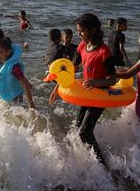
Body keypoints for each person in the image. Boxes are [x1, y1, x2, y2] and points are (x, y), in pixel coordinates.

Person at [49, 13, 116, 166]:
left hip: (100, 96)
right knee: (78, 127)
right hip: (87, 94)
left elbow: (113, 79)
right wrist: (57, 87)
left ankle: (102, 165)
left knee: (85, 132)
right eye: (77, 31)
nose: (78, 34)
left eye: (81, 31)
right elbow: (70, 70)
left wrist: (95, 82)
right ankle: (86, 159)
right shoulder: (81, 46)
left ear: (92, 30)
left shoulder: (104, 53)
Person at [0, 39, 36, 109]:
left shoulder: (14, 67)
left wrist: (31, 103)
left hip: (15, 97)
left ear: (8, 52)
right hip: (3, 96)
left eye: (0, 52)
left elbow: (24, 84)